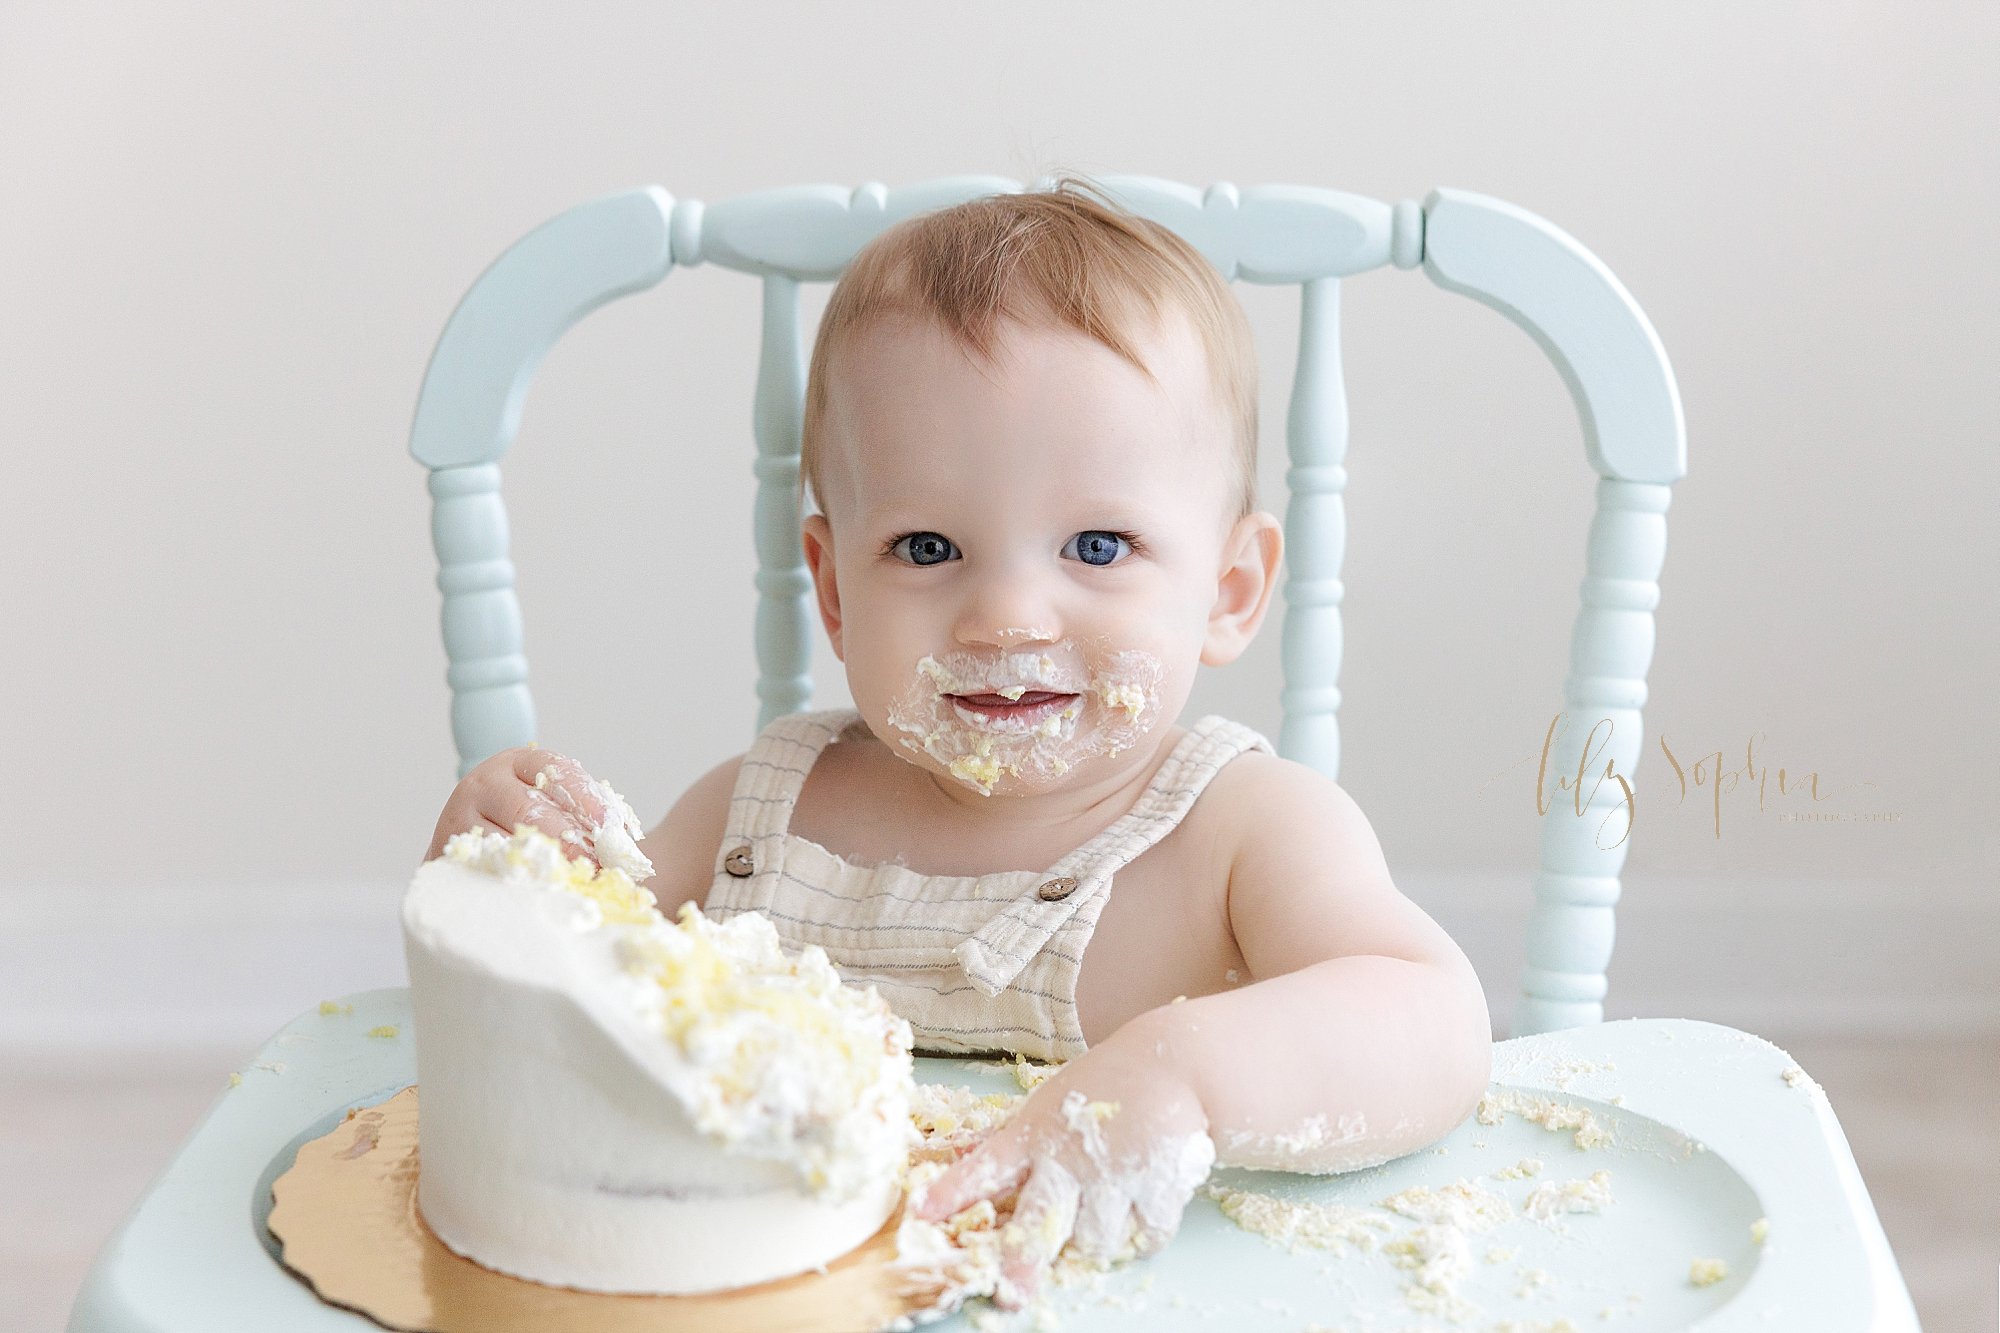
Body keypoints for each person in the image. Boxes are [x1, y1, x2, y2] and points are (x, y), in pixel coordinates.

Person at [427, 177, 1491, 1310]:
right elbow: (558, 1020)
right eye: (928, 547)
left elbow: (1432, 1021)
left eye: (1095, 542)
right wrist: (512, 868)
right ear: (834, 592)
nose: (1007, 618)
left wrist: (1183, 1078)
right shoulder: (760, 819)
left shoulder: (1238, 832)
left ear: (1228, 589)